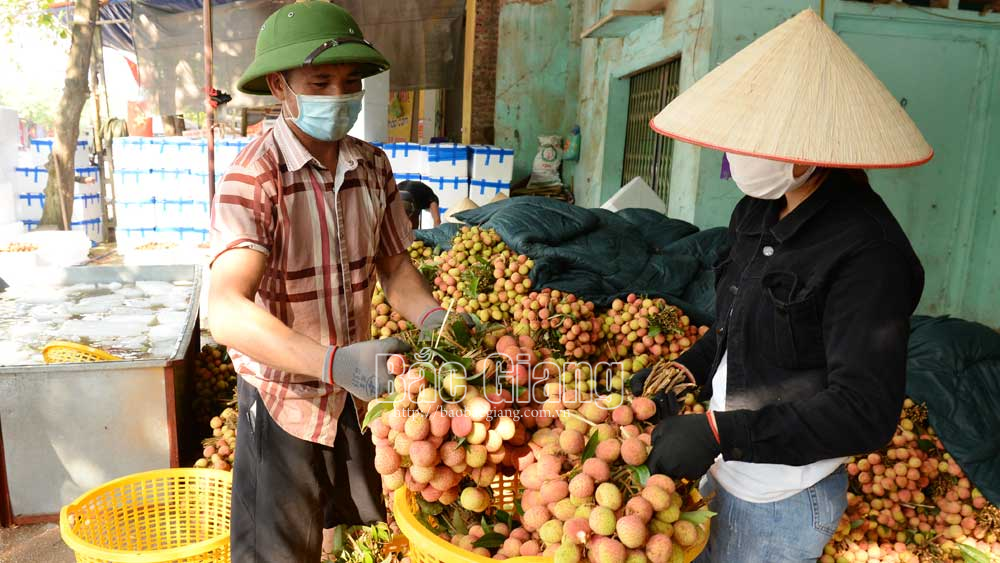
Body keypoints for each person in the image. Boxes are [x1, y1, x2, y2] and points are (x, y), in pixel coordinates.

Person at [644, 9, 928, 562]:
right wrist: (686, 369)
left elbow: (863, 412)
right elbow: (734, 326)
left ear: (804, 151)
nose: (735, 155)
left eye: (753, 140)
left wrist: (720, 433)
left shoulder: (869, 254)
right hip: (725, 475)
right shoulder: (756, 211)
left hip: (784, 501)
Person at [208, 3, 455, 560]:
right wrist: (329, 361)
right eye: (320, 82)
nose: (338, 96)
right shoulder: (256, 177)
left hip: (356, 392)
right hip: (283, 397)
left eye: (350, 83)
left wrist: (435, 319)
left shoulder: (372, 165)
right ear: (281, 86)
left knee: (345, 525)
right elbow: (224, 308)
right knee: (279, 549)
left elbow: (394, 267)